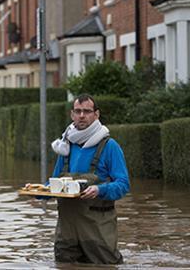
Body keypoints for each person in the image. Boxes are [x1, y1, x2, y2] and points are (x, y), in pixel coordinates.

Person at [49, 94, 130, 264]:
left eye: (87, 111)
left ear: (96, 114)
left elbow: (123, 185)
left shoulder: (109, 146)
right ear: (72, 115)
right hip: (67, 234)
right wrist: (38, 190)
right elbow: (54, 184)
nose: (82, 115)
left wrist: (100, 190)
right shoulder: (65, 148)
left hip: (98, 233)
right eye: (78, 111)